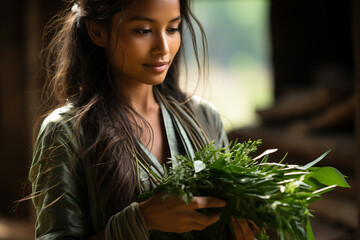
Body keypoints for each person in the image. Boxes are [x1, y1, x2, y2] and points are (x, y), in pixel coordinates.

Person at [29, 0, 259, 239]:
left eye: (172, 29)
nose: (163, 48)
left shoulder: (203, 118)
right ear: (97, 31)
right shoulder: (66, 133)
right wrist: (142, 219)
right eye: (144, 31)